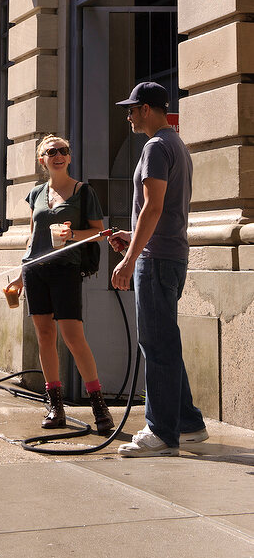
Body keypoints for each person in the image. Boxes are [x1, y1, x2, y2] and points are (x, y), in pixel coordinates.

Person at [110, 81, 208, 457]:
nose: (129, 115)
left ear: (148, 109)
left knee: (156, 343)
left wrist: (131, 256)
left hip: (156, 259)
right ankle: (188, 422)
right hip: (170, 254)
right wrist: (132, 237)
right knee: (165, 339)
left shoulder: (155, 146)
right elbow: (161, 211)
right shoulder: (176, 145)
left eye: (132, 109)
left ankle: (162, 432)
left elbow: (153, 207)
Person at [6, 134, 114, 435]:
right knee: (44, 335)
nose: (58, 155)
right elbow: (32, 237)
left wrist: (71, 235)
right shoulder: (37, 193)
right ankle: (54, 405)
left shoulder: (82, 191)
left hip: (66, 269)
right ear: (43, 160)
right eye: (51, 151)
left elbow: (98, 232)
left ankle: (99, 407)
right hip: (35, 271)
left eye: (63, 151)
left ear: (69, 157)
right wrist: (19, 273)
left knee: (73, 336)